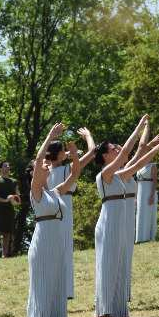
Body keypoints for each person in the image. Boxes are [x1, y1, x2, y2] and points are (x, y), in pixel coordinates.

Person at [94, 115, 159, 317]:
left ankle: (116, 310)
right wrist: (138, 127)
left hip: (121, 223)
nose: (117, 151)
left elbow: (138, 160)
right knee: (108, 265)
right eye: (113, 150)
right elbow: (128, 152)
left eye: (117, 149)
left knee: (119, 264)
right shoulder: (105, 175)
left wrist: (155, 149)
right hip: (108, 224)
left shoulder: (121, 175)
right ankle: (103, 313)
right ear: (106, 156)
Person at [27, 126, 86, 317]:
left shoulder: (56, 191)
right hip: (42, 244)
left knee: (56, 284)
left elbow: (75, 174)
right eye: (41, 166)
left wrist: (75, 154)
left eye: (45, 165)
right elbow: (40, 157)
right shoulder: (36, 192)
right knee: (42, 284)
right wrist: (50, 137)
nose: (45, 166)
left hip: (57, 243)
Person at [46, 128, 96, 300]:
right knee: (65, 247)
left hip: (49, 208)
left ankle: (53, 287)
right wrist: (88, 136)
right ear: (60, 154)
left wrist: (65, 154)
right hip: (64, 205)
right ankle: (65, 290)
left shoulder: (44, 171)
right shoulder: (67, 170)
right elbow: (92, 153)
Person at [0, 162, 19, 258]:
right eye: (5, 166)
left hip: (10, 209)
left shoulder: (14, 181)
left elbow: (18, 197)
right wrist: (5, 200)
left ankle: (5, 255)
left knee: (7, 233)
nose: (8, 167)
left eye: (8, 166)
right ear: (0, 168)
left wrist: (13, 198)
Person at [135, 155, 158, 243]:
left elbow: (155, 181)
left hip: (148, 191)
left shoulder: (153, 166)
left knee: (148, 213)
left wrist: (152, 195)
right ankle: (140, 238)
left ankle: (148, 237)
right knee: (140, 214)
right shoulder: (139, 165)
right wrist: (135, 197)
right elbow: (137, 182)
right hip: (140, 192)